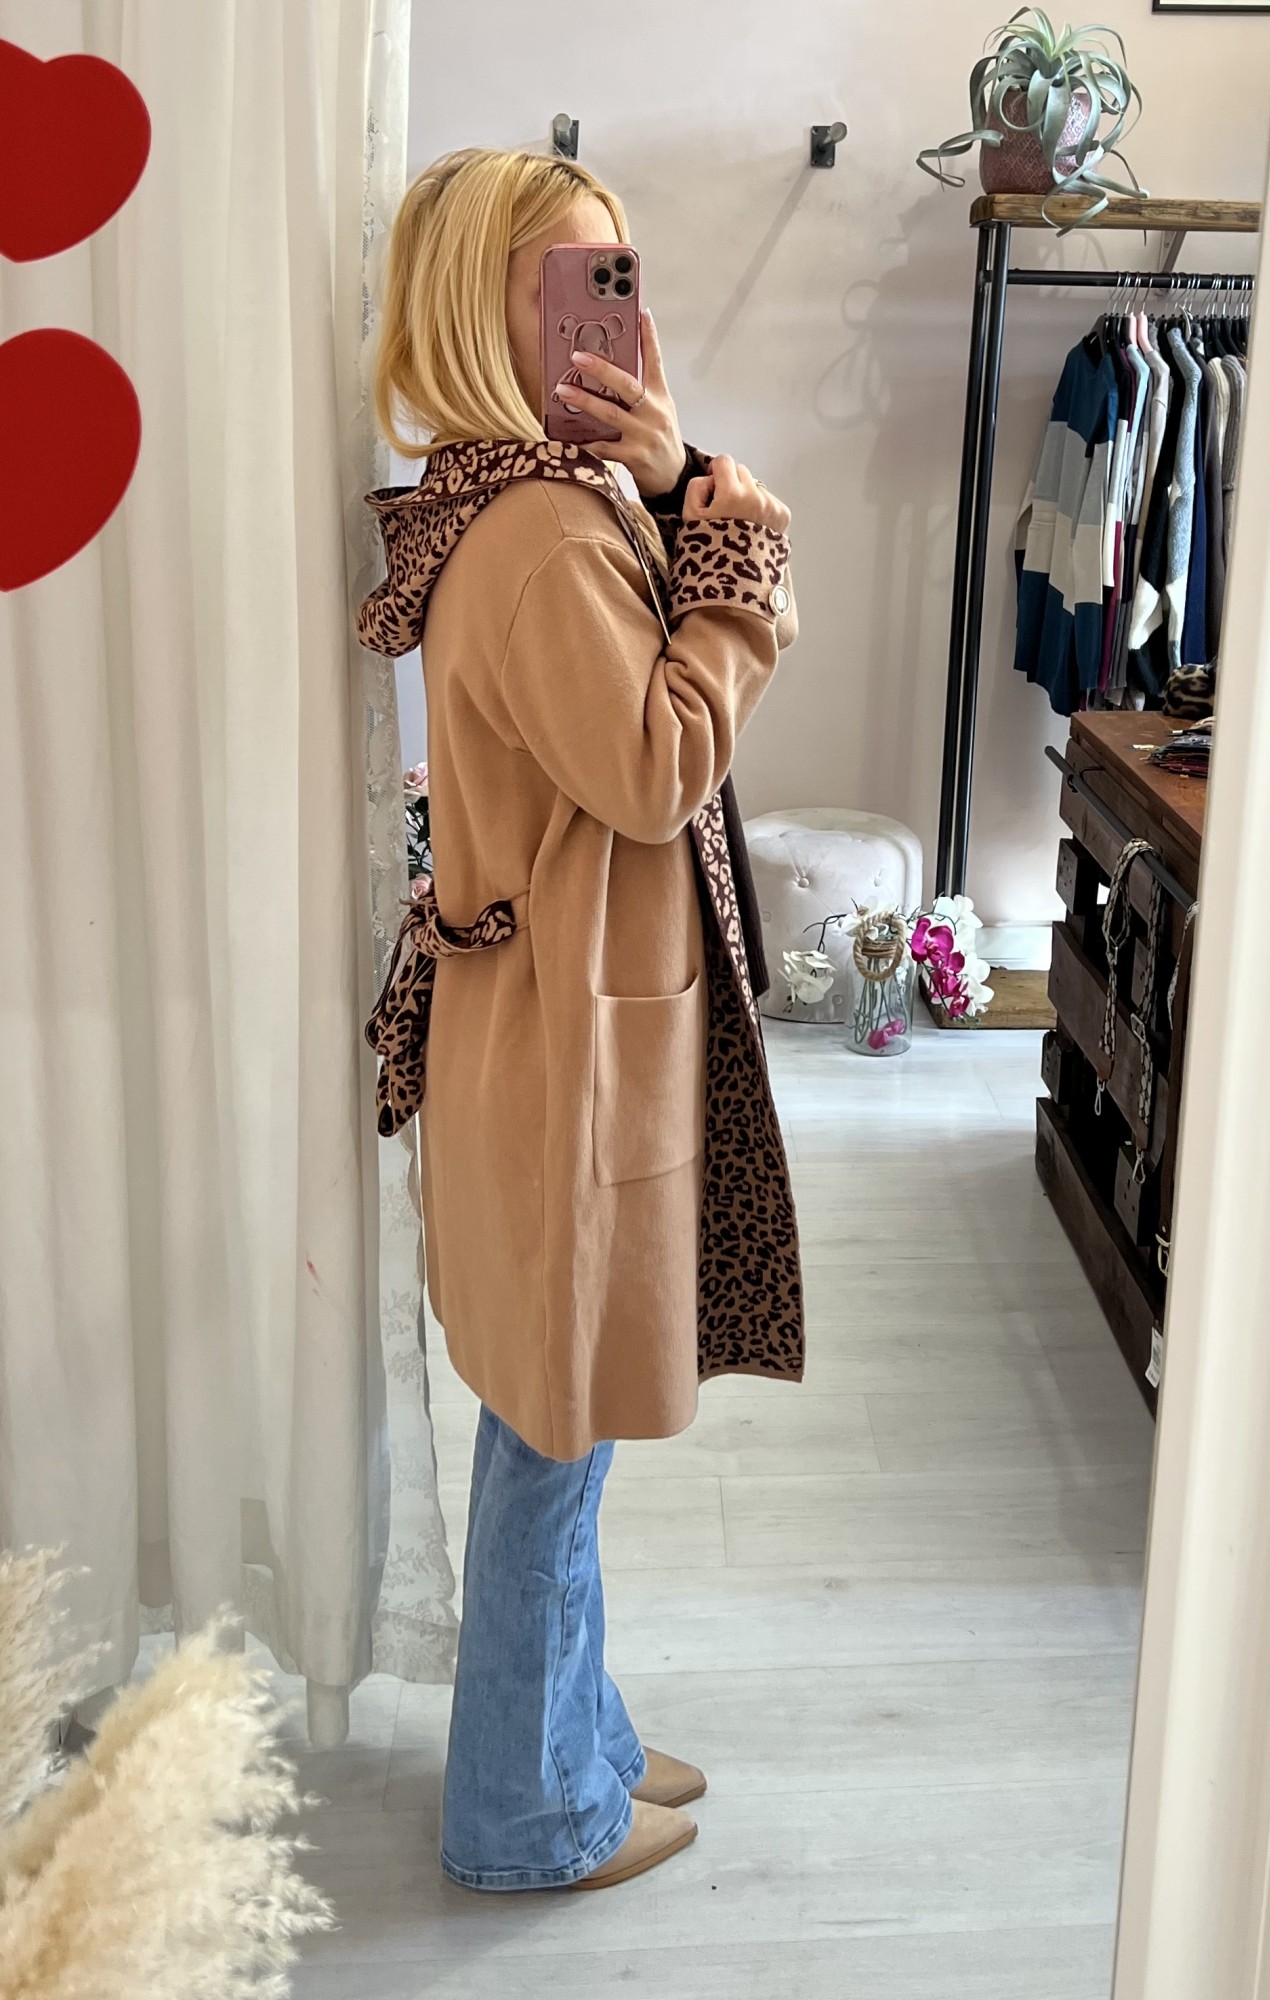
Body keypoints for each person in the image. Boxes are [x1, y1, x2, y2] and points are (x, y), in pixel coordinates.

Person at [361, 147, 805, 1892]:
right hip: (565, 1053)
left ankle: (577, 1741)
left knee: (563, 1430)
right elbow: (655, 763)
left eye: (618, 276)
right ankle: (525, 1814)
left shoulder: (535, 497)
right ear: (481, 309)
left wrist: (680, 480)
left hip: (553, 1030)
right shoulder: (546, 535)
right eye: (566, 282)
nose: (604, 315)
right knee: (554, 1445)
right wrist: (732, 542)